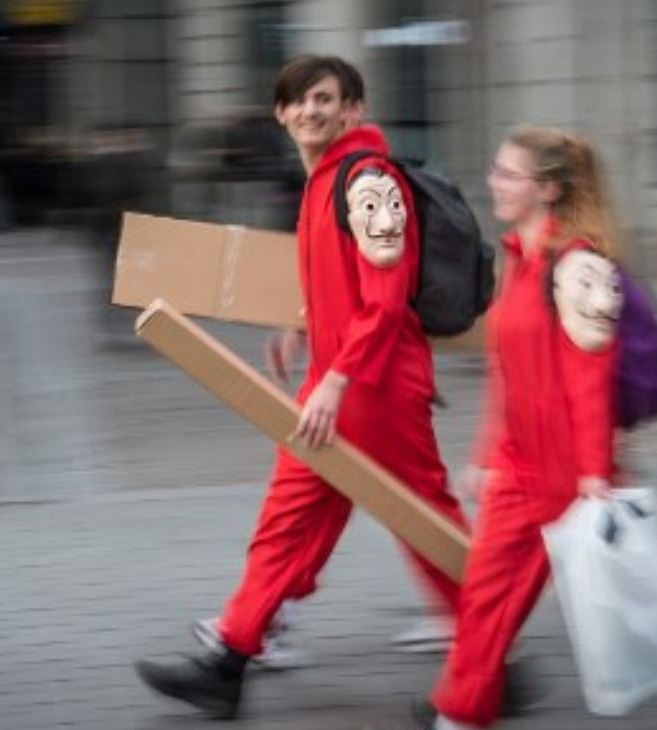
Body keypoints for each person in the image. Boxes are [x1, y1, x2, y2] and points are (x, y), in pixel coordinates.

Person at [134, 54, 470, 719]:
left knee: (427, 527)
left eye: (325, 99)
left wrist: (336, 381)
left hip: (376, 390)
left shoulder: (368, 180)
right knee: (290, 526)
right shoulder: (324, 179)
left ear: (353, 110)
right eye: (298, 101)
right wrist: (303, 325)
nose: (310, 111)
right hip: (341, 384)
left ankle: (489, 650)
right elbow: (342, 283)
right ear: (280, 114)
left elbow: (386, 299)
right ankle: (228, 660)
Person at [419, 125, 657, 730]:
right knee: (485, 604)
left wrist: (593, 473)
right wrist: (486, 457)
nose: (494, 183)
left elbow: (589, 384)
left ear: (549, 189)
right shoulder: (516, 258)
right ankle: (458, 718)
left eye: (508, 174)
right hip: (519, 468)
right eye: (495, 169)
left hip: (575, 472)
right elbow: (506, 376)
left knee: (644, 598)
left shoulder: (580, 269)